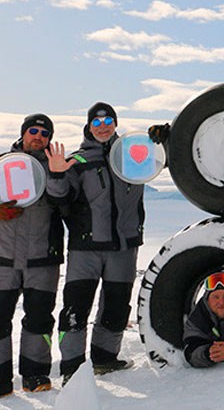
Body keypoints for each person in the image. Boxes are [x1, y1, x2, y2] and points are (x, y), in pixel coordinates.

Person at [46, 102, 142, 381]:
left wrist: (163, 138)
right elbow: (59, 198)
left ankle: (104, 359)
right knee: (76, 308)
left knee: (116, 307)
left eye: (108, 120)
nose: (103, 126)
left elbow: (164, 159)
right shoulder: (77, 161)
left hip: (124, 246)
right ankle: (72, 370)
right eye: (96, 122)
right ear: (88, 127)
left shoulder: (131, 157)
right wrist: (55, 173)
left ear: (115, 123)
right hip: (85, 248)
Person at [0, 115, 63, 395]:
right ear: (23, 133)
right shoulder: (2, 163)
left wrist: (58, 173)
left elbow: (68, 200)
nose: (38, 136)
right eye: (33, 131)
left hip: (42, 258)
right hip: (3, 258)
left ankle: (35, 375)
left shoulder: (55, 167)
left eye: (44, 133)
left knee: (39, 320)